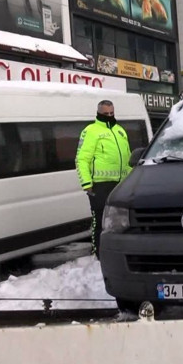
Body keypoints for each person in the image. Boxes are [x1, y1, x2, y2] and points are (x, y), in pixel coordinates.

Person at [76, 100, 132, 259]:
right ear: (99, 113)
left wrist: (132, 179)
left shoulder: (120, 131)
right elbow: (81, 159)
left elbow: (128, 159)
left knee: (120, 220)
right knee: (100, 220)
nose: (109, 116)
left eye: (112, 113)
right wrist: (87, 183)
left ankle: (118, 250)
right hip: (99, 185)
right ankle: (99, 254)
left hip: (121, 184)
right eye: (106, 114)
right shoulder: (91, 131)